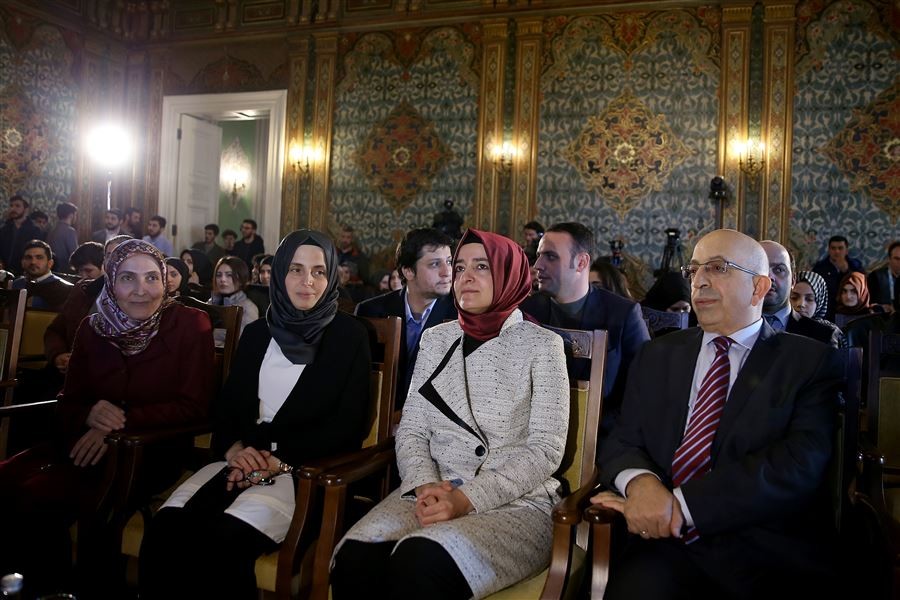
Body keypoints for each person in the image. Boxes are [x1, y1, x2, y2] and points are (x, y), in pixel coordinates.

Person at [592, 229, 843, 600]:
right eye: (694, 270)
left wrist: (679, 505)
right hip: (664, 544)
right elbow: (623, 438)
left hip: (765, 547)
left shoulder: (809, 362)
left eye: (718, 268)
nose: (699, 281)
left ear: (759, 287)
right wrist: (641, 484)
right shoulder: (657, 355)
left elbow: (798, 464)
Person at [332, 229, 569, 599]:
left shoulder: (542, 346)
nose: (465, 277)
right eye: (460, 268)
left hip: (515, 502)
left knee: (418, 563)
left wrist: (465, 498)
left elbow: (545, 449)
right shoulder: (437, 339)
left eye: (481, 267)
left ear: (508, 274)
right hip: (434, 488)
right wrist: (424, 484)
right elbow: (412, 429)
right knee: (354, 558)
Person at [139, 230, 372, 599]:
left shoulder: (350, 336)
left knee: (223, 542)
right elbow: (228, 406)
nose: (307, 281)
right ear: (279, 273)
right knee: (166, 530)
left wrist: (278, 461)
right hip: (240, 459)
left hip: (306, 472)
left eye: (319, 271)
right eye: (295, 269)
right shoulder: (258, 333)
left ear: (331, 278)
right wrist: (234, 450)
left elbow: (349, 424)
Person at [0, 239, 215, 598]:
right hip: (80, 444)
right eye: (128, 278)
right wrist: (89, 413)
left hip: (147, 451)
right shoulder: (92, 327)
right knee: (8, 481)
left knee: (39, 500)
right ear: (111, 282)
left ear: (165, 281)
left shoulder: (191, 324)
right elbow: (69, 401)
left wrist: (120, 422)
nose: (142, 289)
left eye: (152, 278)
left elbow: (196, 406)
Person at [521, 222, 650, 436]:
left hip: (604, 437)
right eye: (539, 256)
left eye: (551, 256)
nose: (538, 266)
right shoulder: (525, 312)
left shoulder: (623, 315)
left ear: (581, 262)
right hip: (535, 434)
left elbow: (643, 390)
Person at [355, 228, 457, 408]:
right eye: (435, 264)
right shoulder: (370, 311)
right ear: (408, 271)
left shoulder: (460, 314)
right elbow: (360, 378)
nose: (447, 272)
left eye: (449, 262)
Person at [760, 240, 841, 348]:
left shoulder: (823, 335)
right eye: (761, 269)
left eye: (779, 269)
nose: (769, 277)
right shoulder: (735, 328)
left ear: (793, 280)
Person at [812, 235, 864, 320]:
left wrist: (846, 271)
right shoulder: (820, 267)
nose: (837, 251)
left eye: (840, 248)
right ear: (829, 250)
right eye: (833, 248)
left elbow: (862, 287)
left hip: (851, 310)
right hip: (828, 310)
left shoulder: (855, 265)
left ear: (846, 250)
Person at [11, 240, 73, 311]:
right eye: (28, 257)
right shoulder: (16, 284)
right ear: (22, 262)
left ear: (50, 263)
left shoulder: (65, 289)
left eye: (39, 257)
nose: (33, 262)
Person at [789, 270, 846, 348]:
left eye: (809, 299)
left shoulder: (829, 333)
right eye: (794, 297)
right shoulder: (780, 325)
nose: (801, 304)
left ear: (820, 302)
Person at [210, 256, 259, 337]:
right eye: (218, 275)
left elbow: (244, 340)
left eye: (229, 275)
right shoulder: (211, 301)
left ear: (241, 279)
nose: (222, 279)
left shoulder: (248, 308)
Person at [0, 195, 44, 276]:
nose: (13, 209)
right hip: (4, 272)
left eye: (17, 206)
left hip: (24, 273)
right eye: (11, 206)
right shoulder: (4, 229)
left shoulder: (34, 230)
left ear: (26, 209)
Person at [46, 202, 79, 272]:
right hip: (64, 269)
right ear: (71, 215)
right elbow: (74, 253)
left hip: (51, 268)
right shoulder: (70, 231)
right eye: (75, 215)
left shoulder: (52, 229)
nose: (76, 217)